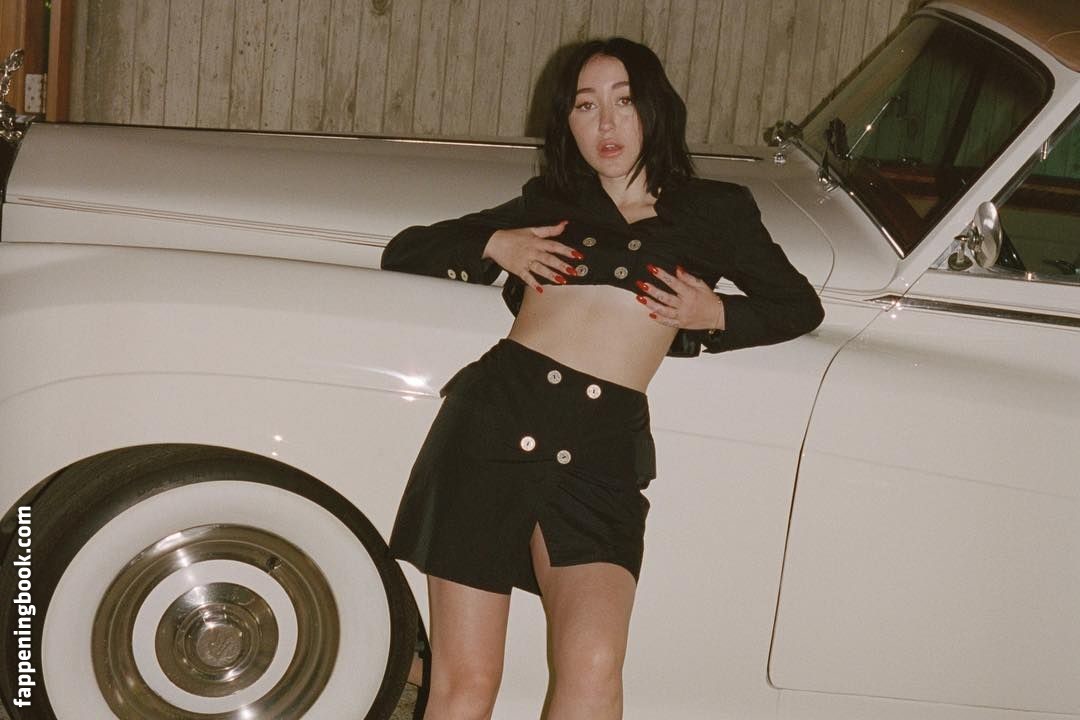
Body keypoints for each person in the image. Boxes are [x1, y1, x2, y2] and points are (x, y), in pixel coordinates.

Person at [381, 37, 824, 720]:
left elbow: (798, 306)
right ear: (568, 122)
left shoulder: (716, 211)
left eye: (624, 101)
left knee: (593, 666)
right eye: (586, 106)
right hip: (492, 427)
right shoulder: (549, 202)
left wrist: (714, 314)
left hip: (600, 456)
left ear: (655, 109)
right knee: (466, 683)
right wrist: (496, 243)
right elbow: (407, 250)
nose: (607, 124)